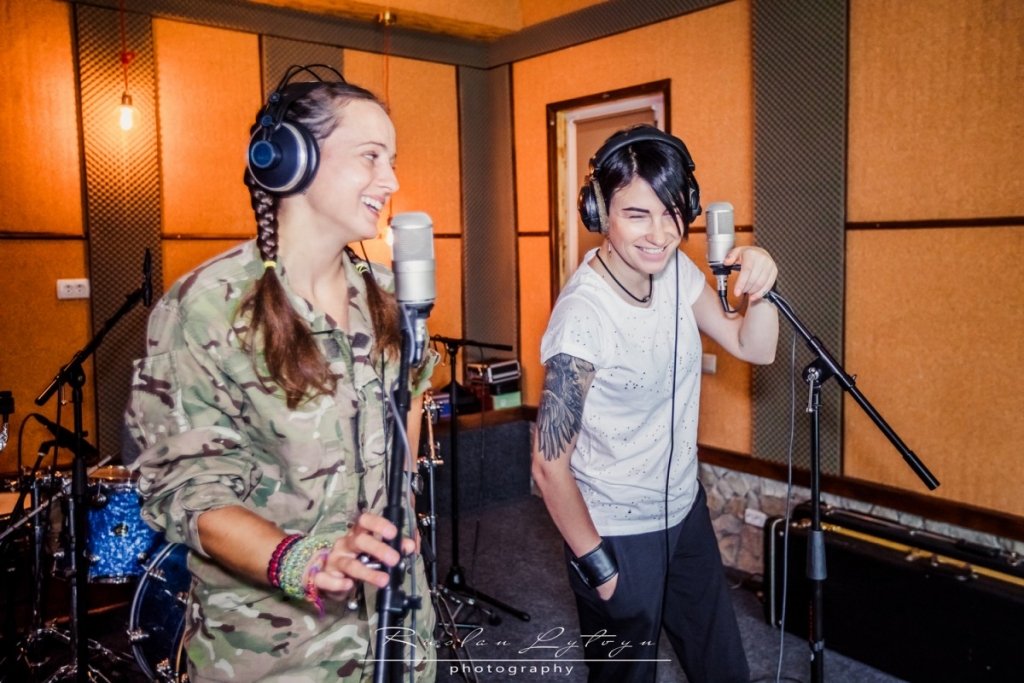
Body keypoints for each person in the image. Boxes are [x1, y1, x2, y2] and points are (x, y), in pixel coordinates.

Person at [124, 73, 436, 682]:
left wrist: (397, 502)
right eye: (371, 157)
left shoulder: (391, 297)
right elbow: (191, 495)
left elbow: (414, 402)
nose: (391, 182)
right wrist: (307, 563)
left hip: (398, 635)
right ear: (293, 160)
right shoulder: (207, 308)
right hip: (276, 655)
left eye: (393, 161)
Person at [532, 125, 779, 683]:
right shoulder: (583, 317)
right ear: (600, 212)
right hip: (615, 532)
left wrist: (761, 285)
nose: (660, 235)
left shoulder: (675, 271)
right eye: (636, 214)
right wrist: (599, 567)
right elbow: (548, 466)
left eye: (670, 213)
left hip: (684, 513)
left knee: (724, 669)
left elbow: (753, 347)